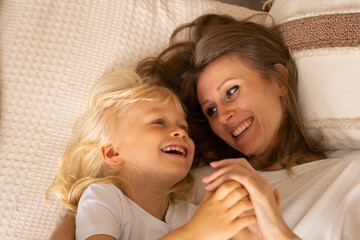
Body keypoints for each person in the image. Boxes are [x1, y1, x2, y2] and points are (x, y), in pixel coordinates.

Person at [136, 14, 360, 240]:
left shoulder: (349, 177)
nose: (223, 116)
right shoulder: (194, 184)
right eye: (211, 110)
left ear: (278, 81)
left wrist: (274, 225)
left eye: (231, 92)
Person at [47, 69, 260, 240]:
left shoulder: (189, 213)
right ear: (113, 152)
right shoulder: (103, 199)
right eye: (159, 122)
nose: (181, 132)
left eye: (183, 127)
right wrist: (193, 233)